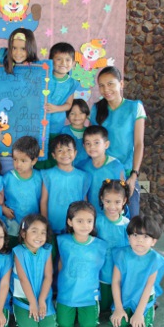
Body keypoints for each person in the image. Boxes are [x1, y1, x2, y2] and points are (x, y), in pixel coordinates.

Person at [91, 66, 146, 217]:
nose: (105, 89)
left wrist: (134, 175)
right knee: (100, 219)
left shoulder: (135, 107)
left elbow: (139, 143)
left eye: (110, 84)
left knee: (130, 220)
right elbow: (92, 142)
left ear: (121, 84)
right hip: (102, 173)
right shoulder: (96, 109)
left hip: (126, 174)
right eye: (101, 85)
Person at [110, 216, 164, 327]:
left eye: (146, 236)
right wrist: (118, 308)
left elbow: (148, 286)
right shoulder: (122, 254)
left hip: (143, 297)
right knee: (120, 324)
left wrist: (139, 313)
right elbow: (116, 282)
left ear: (153, 241)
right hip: (126, 295)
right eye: (135, 235)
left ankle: (151, 306)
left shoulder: (154, 259)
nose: (140, 240)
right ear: (128, 237)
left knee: (140, 326)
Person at [56, 202, 106, 327]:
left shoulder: (100, 245)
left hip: (88, 294)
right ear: (70, 222)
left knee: (88, 325)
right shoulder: (62, 241)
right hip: (67, 293)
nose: (85, 225)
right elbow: (60, 265)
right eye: (80, 221)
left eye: (89, 221)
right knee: (64, 324)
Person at [11, 214, 57, 327]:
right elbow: (23, 279)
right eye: (34, 231)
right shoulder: (18, 251)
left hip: (42, 296)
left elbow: (48, 276)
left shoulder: (46, 250)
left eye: (43, 232)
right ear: (23, 234)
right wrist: (32, 302)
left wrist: (41, 300)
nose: (39, 236)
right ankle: (19, 310)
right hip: (24, 298)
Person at [36, 42, 78, 169]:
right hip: (37, 124)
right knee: (37, 153)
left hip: (55, 125)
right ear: (51, 61)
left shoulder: (71, 83)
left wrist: (56, 109)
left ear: (73, 63)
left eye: (67, 60)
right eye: (58, 59)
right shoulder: (44, 75)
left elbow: (68, 104)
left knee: (52, 153)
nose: (63, 63)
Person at [40, 134, 91, 237]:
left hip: (75, 226)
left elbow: (84, 203)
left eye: (69, 150)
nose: (65, 154)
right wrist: (45, 224)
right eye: (60, 151)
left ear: (75, 153)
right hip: (53, 225)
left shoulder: (83, 176)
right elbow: (44, 201)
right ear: (53, 155)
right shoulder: (48, 174)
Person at [95, 179, 130, 312]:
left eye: (117, 202)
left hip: (121, 276)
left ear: (124, 201)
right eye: (108, 201)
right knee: (103, 310)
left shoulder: (127, 224)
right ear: (102, 199)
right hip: (100, 276)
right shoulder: (96, 221)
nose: (112, 206)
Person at [2, 136, 42, 249]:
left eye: (23, 160)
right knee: (10, 250)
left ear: (34, 161)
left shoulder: (39, 178)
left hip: (31, 226)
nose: (18, 164)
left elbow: (42, 200)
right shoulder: (7, 178)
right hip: (11, 225)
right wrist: (3, 208)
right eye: (15, 159)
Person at [78, 125, 125, 212]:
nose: (92, 147)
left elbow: (122, 193)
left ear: (106, 144)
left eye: (96, 143)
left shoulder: (116, 166)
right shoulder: (81, 167)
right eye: (88, 143)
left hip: (111, 215)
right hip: (89, 217)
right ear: (84, 146)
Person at [60, 98, 90, 168]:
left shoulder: (90, 133)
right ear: (67, 116)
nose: (77, 116)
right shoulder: (63, 131)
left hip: (86, 169)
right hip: (67, 168)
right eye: (72, 113)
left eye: (81, 113)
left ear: (87, 115)